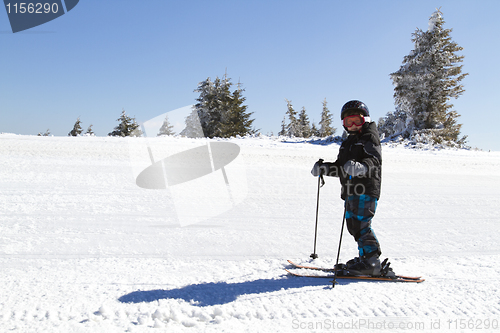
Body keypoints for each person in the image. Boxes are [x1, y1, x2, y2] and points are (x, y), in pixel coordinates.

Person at [311, 100, 385, 276]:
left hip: (366, 189)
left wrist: (362, 167)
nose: (352, 126)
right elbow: (341, 167)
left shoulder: (370, 137)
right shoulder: (348, 142)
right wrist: (325, 168)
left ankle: (372, 262)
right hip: (351, 191)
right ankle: (365, 257)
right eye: (348, 122)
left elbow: (373, 161)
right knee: (353, 225)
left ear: (365, 119)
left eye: (356, 121)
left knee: (361, 225)